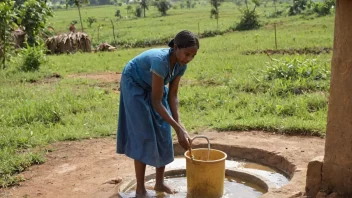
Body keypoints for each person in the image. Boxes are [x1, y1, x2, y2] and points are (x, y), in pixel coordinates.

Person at [116, 30, 199, 197]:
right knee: (143, 134)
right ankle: (140, 189)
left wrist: (179, 125)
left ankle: (159, 183)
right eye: (186, 54)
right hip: (134, 82)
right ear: (176, 47)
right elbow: (156, 102)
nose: (188, 59)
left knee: (163, 132)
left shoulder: (181, 66)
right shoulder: (160, 62)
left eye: (192, 56)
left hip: (153, 87)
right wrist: (178, 129)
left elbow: (172, 95)